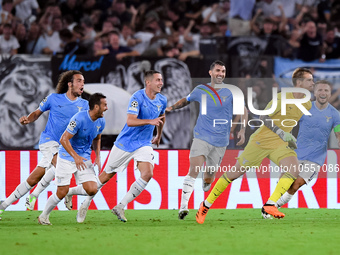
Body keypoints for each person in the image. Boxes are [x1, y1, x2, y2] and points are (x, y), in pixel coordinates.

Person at [195, 67, 314, 223]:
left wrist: (290, 138)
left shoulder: (307, 104)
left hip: (280, 144)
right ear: (299, 82)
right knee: (234, 174)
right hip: (260, 142)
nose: (313, 82)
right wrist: (282, 133)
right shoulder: (282, 98)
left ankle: (270, 205)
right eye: (309, 79)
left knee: (294, 169)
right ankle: (205, 205)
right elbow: (263, 117)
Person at [64, 70, 167, 223]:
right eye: (158, 80)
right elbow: (131, 121)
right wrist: (149, 121)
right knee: (105, 177)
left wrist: (158, 134)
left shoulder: (162, 100)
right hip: (125, 143)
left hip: (144, 144)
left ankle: (120, 206)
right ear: (148, 82)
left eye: (161, 80)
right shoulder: (137, 98)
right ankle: (80, 200)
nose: (161, 83)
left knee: (148, 174)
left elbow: (161, 118)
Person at [0, 70, 89, 219]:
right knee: (60, 165)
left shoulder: (85, 104)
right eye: (79, 81)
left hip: (66, 146)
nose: (82, 84)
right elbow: (37, 112)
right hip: (50, 141)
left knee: (35, 178)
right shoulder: (53, 98)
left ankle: (3, 205)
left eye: (83, 81)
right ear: (70, 84)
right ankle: (64, 193)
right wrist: (28, 119)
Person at [166, 60, 247, 220]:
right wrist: (172, 107)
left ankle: (207, 181)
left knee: (209, 177)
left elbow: (243, 111)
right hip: (201, 136)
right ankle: (183, 207)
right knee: (194, 169)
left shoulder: (230, 92)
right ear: (211, 72)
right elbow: (186, 100)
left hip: (220, 141)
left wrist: (242, 129)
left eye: (223, 71)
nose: (221, 74)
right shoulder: (200, 90)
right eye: (218, 70)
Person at [270, 80, 340, 213]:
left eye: (326, 90)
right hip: (297, 153)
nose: (323, 93)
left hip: (316, 158)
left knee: (296, 184)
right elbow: (289, 123)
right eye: (320, 90)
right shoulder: (304, 108)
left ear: (330, 93)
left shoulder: (335, 114)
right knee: (284, 181)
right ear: (315, 92)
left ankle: (274, 206)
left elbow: (338, 134)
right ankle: (272, 204)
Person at [38, 93, 107, 225]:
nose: (107, 108)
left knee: (92, 189)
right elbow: (63, 139)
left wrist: (98, 156)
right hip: (66, 156)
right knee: (60, 192)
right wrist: (75, 157)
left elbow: (97, 138)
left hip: (84, 157)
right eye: (105, 105)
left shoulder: (101, 121)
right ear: (96, 107)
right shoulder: (79, 119)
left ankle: (70, 192)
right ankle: (43, 216)